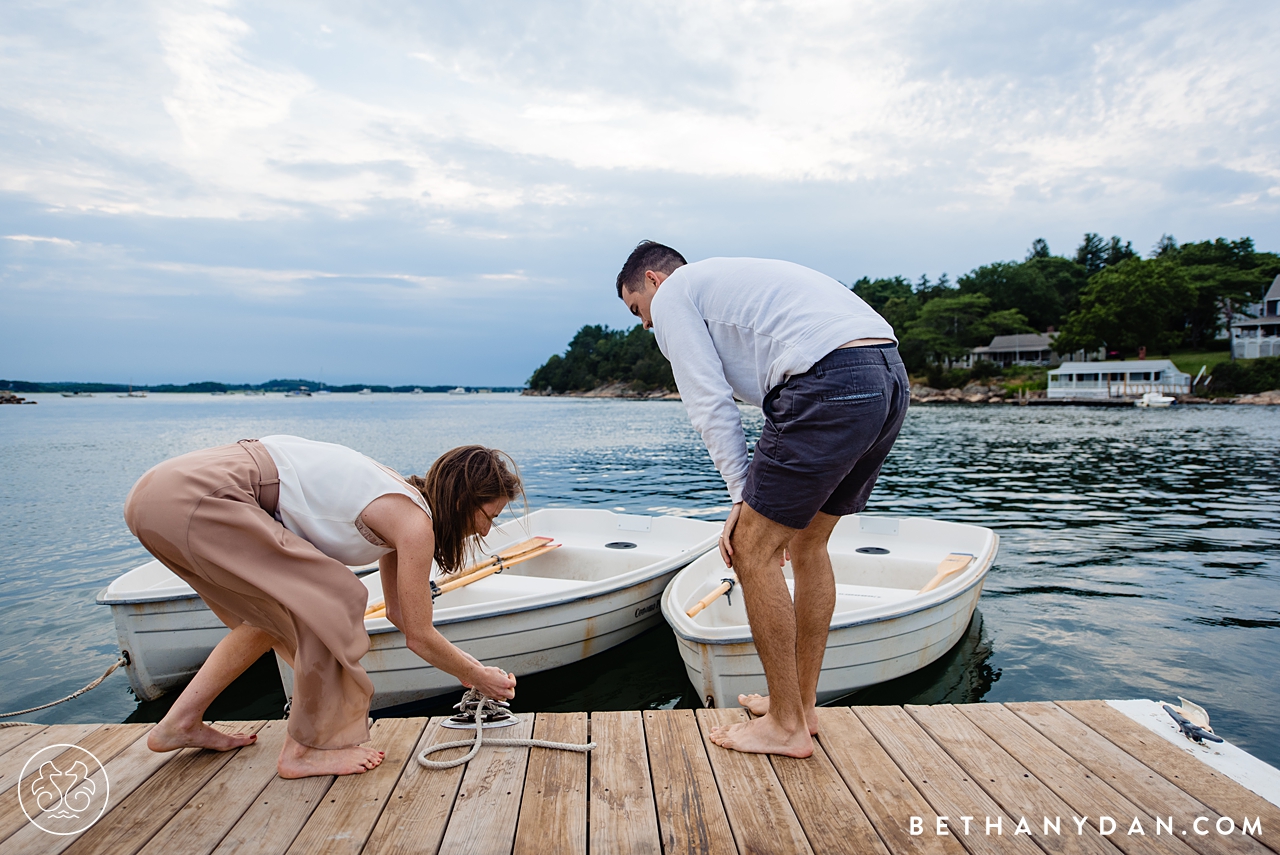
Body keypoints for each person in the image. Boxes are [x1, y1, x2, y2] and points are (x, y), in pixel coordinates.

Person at [616, 241, 908, 757]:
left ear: (654, 281)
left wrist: (738, 499)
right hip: (885, 373)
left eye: (637, 309)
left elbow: (709, 404)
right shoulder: (731, 284)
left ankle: (784, 726)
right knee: (809, 544)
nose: (645, 325)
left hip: (828, 378)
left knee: (751, 549)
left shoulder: (676, 296)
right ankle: (800, 706)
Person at [123, 436, 521, 778]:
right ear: (462, 499)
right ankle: (304, 750)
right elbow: (418, 634)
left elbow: (402, 616)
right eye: (490, 515)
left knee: (268, 619)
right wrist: (477, 675)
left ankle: (180, 722)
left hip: (155, 495)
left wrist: (471, 671)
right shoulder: (413, 521)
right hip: (199, 494)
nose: (487, 530)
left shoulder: (399, 504)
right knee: (336, 596)